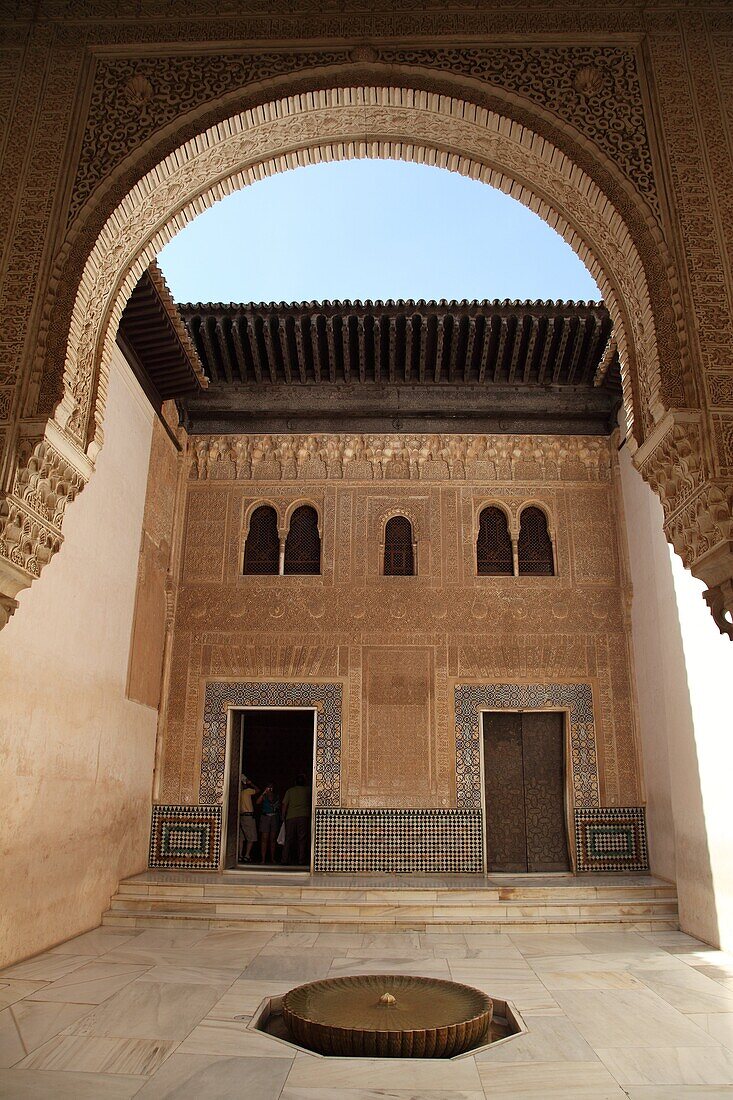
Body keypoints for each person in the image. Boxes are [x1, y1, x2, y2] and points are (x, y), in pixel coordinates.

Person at [281, 772, 312, 866]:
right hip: (304, 816)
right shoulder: (308, 790)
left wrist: (283, 816)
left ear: (295, 782)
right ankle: (301, 860)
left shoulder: (290, 791)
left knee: (288, 839)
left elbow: (284, 804)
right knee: (302, 839)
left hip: (291, 817)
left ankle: (285, 859)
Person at [257, 782, 281, 865]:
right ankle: (263, 859)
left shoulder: (276, 796)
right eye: (268, 787)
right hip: (265, 817)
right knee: (264, 838)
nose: (270, 789)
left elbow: (278, 806)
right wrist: (264, 792)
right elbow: (257, 802)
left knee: (273, 839)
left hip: (274, 817)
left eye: (271, 787)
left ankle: (272, 858)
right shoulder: (264, 796)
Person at [238, 774, 259, 863]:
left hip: (240, 817)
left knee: (241, 838)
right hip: (248, 817)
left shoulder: (237, 794)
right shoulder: (247, 791)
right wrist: (251, 783)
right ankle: (246, 855)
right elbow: (258, 790)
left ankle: (239, 855)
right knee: (251, 837)